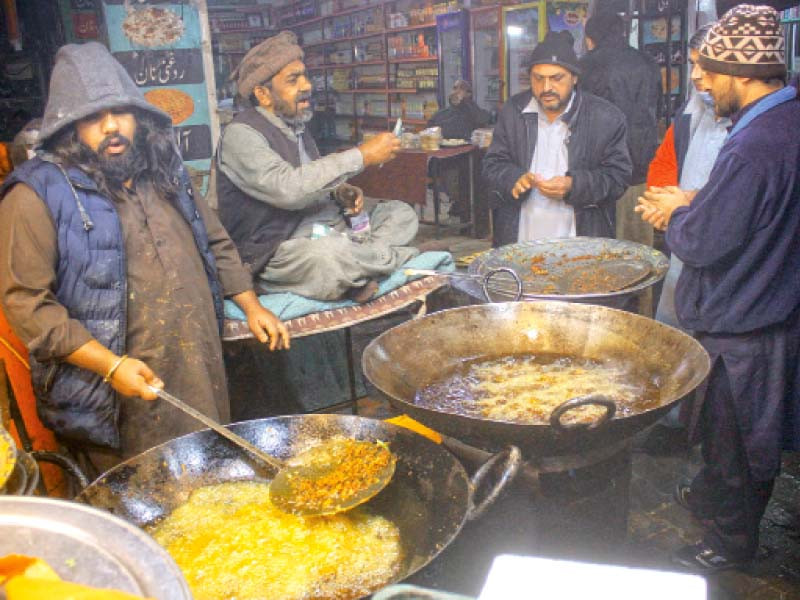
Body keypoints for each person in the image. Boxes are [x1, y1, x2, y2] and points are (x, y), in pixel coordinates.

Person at [0, 42, 290, 475]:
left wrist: (250, 304)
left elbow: (214, 240)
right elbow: (27, 304)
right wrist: (110, 365)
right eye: (93, 117)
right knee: (143, 493)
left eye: (120, 112)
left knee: (210, 473)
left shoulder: (166, 172)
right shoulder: (36, 195)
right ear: (69, 128)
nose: (111, 126)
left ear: (140, 116)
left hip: (195, 362)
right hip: (111, 389)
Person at [636, 5, 800, 572]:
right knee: (722, 432)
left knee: (738, 442)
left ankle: (729, 545)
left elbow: (706, 244)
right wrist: (693, 200)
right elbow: (752, 213)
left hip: (746, 323)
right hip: (762, 306)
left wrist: (672, 218)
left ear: (742, 70)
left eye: (707, 68)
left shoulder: (754, 145)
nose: (699, 80)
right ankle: (711, 500)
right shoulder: (784, 121)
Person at [217, 31, 419, 304]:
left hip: (321, 228)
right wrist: (360, 155)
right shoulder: (241, 134)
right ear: (263, 94)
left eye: (304, 76)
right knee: (326, 258)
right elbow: (289, 190)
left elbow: (311, 180)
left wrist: (338, 191)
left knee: (400, 213)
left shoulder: (296, 127)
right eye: (293, 79)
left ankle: (362, 264)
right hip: (276, 249)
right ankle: (388, 259)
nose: (307, 85)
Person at [482, 30, 631, 246]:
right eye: (538, 78)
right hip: (521, 239)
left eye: (556, 78)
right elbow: (492, 164)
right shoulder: (514, 111)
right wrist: (513, 177)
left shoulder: (605, 117)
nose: (546, 88)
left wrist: (574, 184)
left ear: (574, 77)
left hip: (581, 242)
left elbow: (618, 177)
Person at [579, 12, 662, 250]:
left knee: (598, 247)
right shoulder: (647, 62)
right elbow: (657, 109)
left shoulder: (585, 65)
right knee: (637, 246)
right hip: (639, 165)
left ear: (591, 38)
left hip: (599, 170)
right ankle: (640, 287)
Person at [428, 79, 492, 141]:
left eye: (461, 88)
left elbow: (482, 119)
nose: (457, 91)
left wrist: (465, 102)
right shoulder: (440, 114)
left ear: (468, 94)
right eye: (455, 88)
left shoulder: (474, 112)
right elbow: (430, 131)